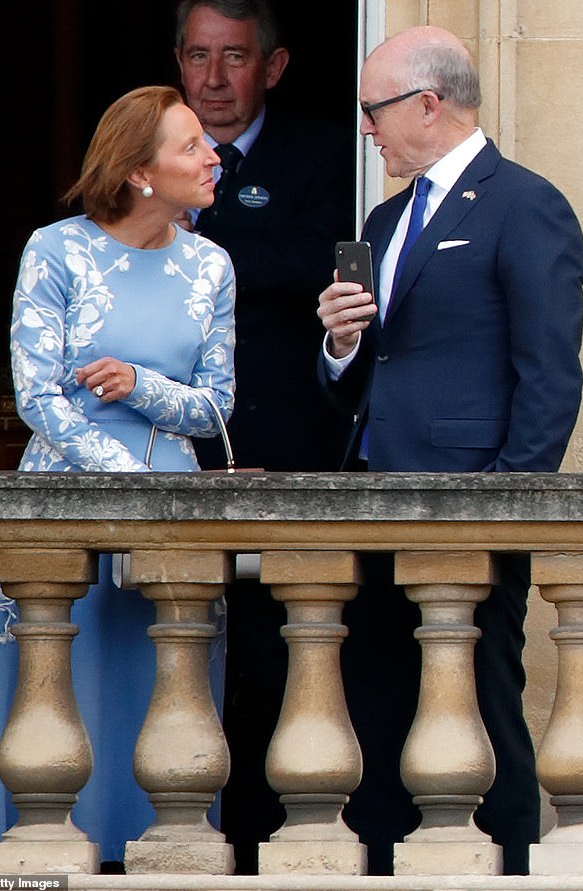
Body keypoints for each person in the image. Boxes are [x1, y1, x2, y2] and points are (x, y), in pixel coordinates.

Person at [317, 27, 583, 876]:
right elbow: (371, 373)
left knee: (482, 699)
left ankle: (507, 859)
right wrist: (339, 346)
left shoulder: (524, 202)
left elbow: (549, 373)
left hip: (469, 500)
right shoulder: (385, 217)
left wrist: (505, 503)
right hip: (374, 493)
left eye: (374, 109)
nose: (366, 128)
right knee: (378, 694)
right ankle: (388, 859)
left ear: (428, 104)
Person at [0, 85, 235, 868]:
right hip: (66, 501)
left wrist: (141, 387)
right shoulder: (55, 250)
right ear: (139, 171)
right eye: (192, 146)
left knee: (160, 685)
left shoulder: (212, 265)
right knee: (59, 691)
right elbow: (37, 397)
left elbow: (215, 407)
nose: (213, 154)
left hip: (171, 512)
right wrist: (123, 481)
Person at [173, 0, 355, 872]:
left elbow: (320, 258)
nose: (213, 79)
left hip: (291, 449)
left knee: (285, 663)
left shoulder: (326, 154)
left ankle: (273, 846)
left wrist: (200, 240)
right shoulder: (151, 154)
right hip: (172, 458)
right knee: (180, 657)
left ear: (272, 67)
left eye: (234, 57)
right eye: (199, 56)